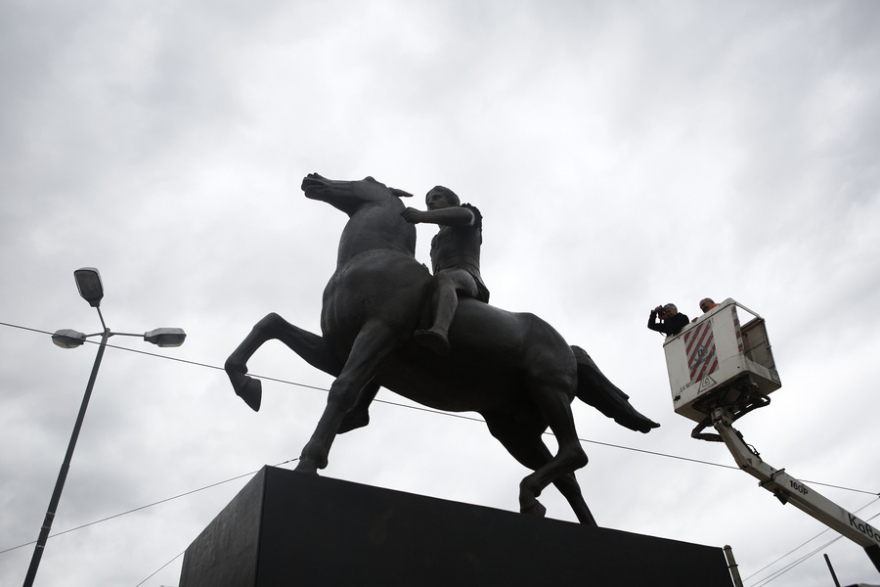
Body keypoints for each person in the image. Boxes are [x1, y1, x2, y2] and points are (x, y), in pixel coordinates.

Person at [402, 185, 489, 355]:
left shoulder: (467, 213)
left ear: (451, 201)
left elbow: (465, 216)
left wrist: (422, 216)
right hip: (442, 280)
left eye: (437, 197)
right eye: (428, 201)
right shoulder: (435, 240)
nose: (431, 202)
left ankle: (439, 331)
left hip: (468, 278)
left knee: (445, 278)